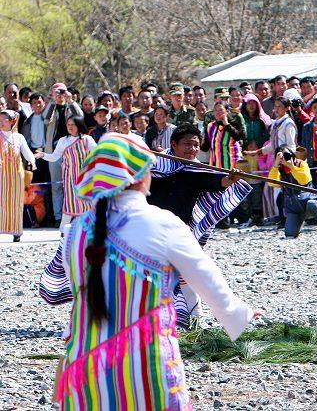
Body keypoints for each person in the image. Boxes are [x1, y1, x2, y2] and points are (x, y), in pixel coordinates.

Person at [44, 133, 256, 409]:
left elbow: (70, 288)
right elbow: (208, 282)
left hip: (84, 369)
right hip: (147, 367)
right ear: (142, 175)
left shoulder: (75, 232)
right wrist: (239, 314)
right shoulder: (163, 223)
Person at [148, 125, 252, 324]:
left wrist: (230, 179)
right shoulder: (154, 165)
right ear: (173, 144)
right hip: (152, 231)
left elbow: (215, 182)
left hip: (180, 231)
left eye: (196, 145)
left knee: (187, 273)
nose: (192, 149)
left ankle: (195, 318)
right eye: (187, 144)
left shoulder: (196, 169)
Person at [35, 116, 96, 233]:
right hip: (70, 178)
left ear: (79, 125)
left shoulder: (88, 140)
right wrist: (42, 155)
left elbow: (96, 155)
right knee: (69, 203)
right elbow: (54, 157)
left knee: (87, 203)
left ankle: (88, 230)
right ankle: (63, 230)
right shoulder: (63, 141)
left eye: (73, 124)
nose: (70, 127)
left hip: (85, 178)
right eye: (68, 125)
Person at [269, 147, 317, 238]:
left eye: (287, 156)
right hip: (293, 208)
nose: (285, 159)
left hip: (307, 203)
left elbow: (304, 180)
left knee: (312, 203)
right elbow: (272, 183)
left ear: (292, 155)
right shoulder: (279, 169)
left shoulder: (301, 164)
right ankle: (300, 222)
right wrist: (275, 165)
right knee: (290, 234)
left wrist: (292, 167)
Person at [44, 83, 83, 228]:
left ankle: (74, 215)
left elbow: (80, 116)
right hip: (54, 150)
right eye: (56, 91)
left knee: (73, 184)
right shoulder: (51, 107)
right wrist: (53, 101)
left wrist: (70, 100)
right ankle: (58, 216)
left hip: (72, 150)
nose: (60, 94)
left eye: (62, 91)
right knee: (56, 185)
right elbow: (46, 119)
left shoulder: (70, 107)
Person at [0, 110, 36, 242]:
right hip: (1, 174)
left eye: (5, 119)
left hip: (16, 175)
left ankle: (16, 231)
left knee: (16, 202)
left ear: (12, 122)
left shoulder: (19, 137)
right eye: (0, 118)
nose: (1, 121)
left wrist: (32, 161)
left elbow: (27, 153)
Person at [202, 101, 245, 169]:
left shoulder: (233, 123)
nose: (217, 113)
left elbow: (237, 137)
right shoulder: (210, 126)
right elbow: (206, 146)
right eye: (215, 110)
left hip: (232, 163)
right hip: (216, 164)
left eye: (221, 110)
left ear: (227, 111)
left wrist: (226, 124)